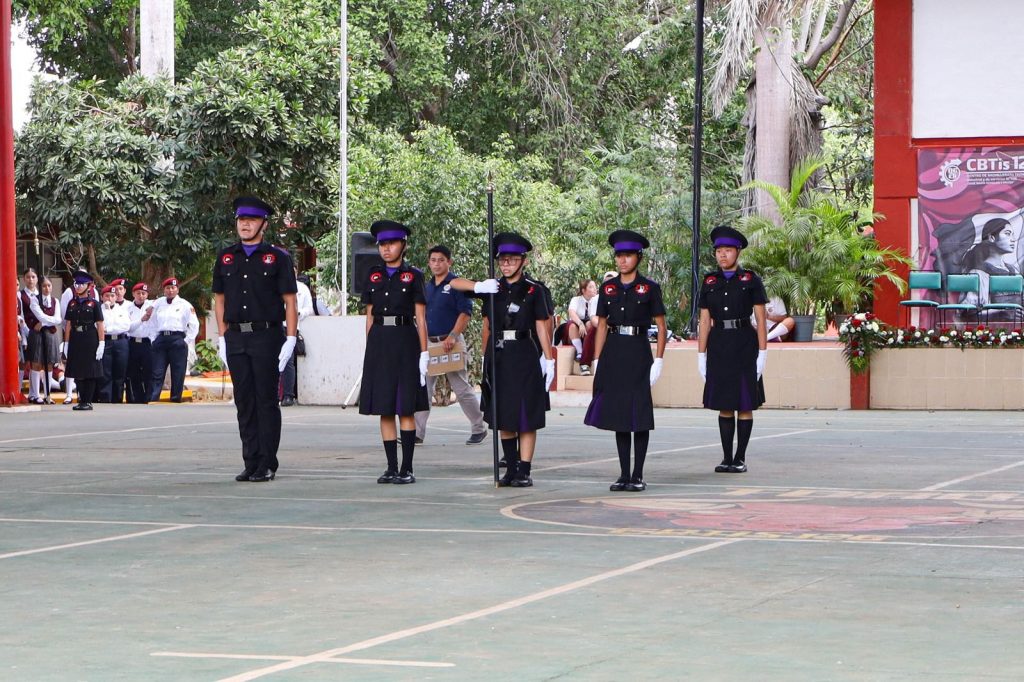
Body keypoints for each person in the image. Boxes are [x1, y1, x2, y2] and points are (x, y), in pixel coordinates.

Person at [213, 196, 298, 483]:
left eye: (251, 220)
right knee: (244, 401)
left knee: (266, 401)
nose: (245, 224)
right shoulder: (226, 257)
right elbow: (220, 300)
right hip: (236, 336)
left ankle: (267, 462)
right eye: (241, 220)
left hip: (266, 335)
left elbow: (290, 301)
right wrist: (222, 336)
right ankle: (250, 461)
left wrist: (290, 338)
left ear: (264, 224)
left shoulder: (277, 258)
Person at [584, 230, 667, 491]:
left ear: (638, 257)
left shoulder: (650, 288)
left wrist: (659, 359)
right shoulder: (608, 288)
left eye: (628, 255)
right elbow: (602, 325)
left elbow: (661, 326)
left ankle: (638, 474)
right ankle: (623, 474)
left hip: (639, 351)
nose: (622, 260)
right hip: (614, 351)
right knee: (620, 414)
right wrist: (597, 359)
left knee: (638, 413)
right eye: (619, 255)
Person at [479, 232, 555, 488]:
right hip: (499, 354)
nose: (506, 264)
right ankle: (510, 469)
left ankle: (524, 470)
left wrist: (549, 359)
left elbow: (542, 326)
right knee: (504, 415)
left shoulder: (534, 290)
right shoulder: (493, 289)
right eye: (502, 260)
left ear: (524, 261)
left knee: (525, 414)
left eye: (512, 260)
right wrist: (484, 356)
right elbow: (486, 325)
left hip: (524, 353)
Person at [697, 225, 768, 474]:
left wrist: (762, 353)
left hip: (744, 343)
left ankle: (740, 457)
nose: (722, 255)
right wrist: (701, 354)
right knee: (724, 403)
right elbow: (704, 320)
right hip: (718, 344)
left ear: (737, 252)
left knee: (744, 402)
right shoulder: (710, 281)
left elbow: (761, 319)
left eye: (728, 250)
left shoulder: (750, 280)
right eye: (719, 251)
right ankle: (726, 457)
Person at [413, 244, 487, 446]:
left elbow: (465, 313)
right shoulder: (427, 287)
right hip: (430, 344)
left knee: (461, 389)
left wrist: (453, 336)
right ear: (429, 263)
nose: (436, 264)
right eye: (433, 260)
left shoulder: (456, 284)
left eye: (441, 260)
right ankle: (417, 433)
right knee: (423, 388)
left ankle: (479, 428)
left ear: (449, 262)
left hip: (451, 343)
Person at [149, 277, 199, 402]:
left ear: (177, 289)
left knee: (178, 372)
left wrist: (185, 341)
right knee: (157, 371)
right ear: (164, 290)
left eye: (173, 288)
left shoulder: (185, 304)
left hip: (178, 339)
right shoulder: (158, 303)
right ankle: (153, 398)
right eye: (168, 288)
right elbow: (152, 322)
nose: (170, 290)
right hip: (161, 339)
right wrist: (153, 339)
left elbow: (194, 325)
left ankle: (175, 399)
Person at [62, 270, 105, 411]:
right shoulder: (72, 303)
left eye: (81, 284)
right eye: (76, 284)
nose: (78, 286)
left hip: (89, 337)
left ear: (89, 286)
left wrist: (101, 343)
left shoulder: (94, 304)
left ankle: (88, 400)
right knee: (77, 370)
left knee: (89, 371)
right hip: (76, 337)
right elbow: (68, 324)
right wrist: (66, 343)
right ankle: (81, 400)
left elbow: (100, 324)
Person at [25, 274, 62, 404]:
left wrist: (45, 322)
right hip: (37, 334)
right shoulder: (34, 300)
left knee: (50, 364)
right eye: (44, 286)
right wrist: (49, 320)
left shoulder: (55, 301)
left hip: (50, 334)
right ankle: (35, 394)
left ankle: (47, 394)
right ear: (40, 287)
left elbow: (58, 319)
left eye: (49, 285)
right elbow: (39, 315)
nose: (47, 288)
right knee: (36, 363)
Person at [279, 266, 313, 407]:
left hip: (291, 327)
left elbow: (309, 308)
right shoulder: (275, 284)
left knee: (288, 360)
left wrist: (299, 312)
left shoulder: (302, 288)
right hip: (274, 326)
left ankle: (288, 395)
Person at [556, 279, 599, 375]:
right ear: (583, 290)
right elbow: (571, 312)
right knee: (571, 325)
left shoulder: (596, 300)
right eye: (591, 287)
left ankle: (588, 350)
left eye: (595, 286)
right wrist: (580, 324)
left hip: (588, 328)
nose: (594, 289)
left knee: (590, 324)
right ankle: (579, 352)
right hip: (577, 325)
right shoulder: (576, 299)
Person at [98, 282, 132, 403]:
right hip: (105, 341)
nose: (110, 298)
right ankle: (105, 398)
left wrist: (109, 329)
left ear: (116, 297)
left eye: (112, 296)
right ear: (102, 297)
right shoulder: (99, 310)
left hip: (120, 341)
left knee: (120, 371)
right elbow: (98, 326)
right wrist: (107, 312)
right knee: (105, 371)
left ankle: (117, 398)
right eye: (107, 296)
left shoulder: (122, 310)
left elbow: (126, 326)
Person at [126, 282, 155, 403]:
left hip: (147, 343)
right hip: (133, 343)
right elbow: (128, 327)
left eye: (144, 293)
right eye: (138, 293)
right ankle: (138, 398)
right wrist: (141, 319)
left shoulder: (152, 305)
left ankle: (149, 397)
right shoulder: (128, 308)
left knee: (149, 371)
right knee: (134, 372)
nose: (141, 296)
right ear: (133, 294)